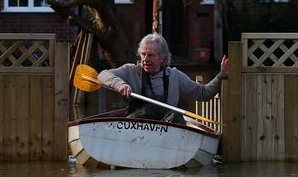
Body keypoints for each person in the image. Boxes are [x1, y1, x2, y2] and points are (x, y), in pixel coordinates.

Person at [98, 33, 229, 124]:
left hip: (167, 129)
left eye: (150, 55)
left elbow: (203, 94)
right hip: (137, 125)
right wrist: (120, 84)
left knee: (176, 116)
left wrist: (221, 75)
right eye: (143, 54)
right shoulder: (131, 70)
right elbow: (102, 75)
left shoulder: (174, 76)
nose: (145, 59)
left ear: (162, 58)